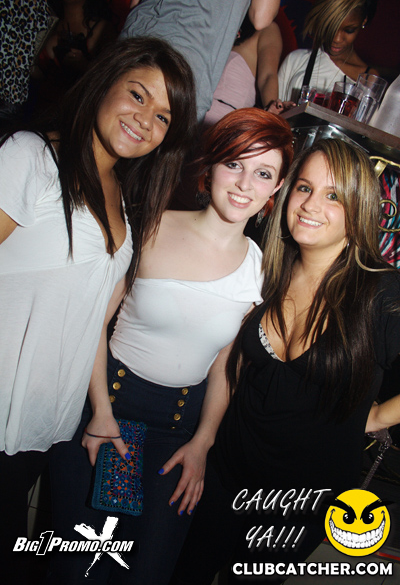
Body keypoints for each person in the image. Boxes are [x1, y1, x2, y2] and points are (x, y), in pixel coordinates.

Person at [45, 108, 294, 585]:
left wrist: (202, 443)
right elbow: (92, 323)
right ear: (211, 164)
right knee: (83, 570)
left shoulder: (260, 269)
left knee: (149, 573)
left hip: (179, 432)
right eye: (234, 164)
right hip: (109, 410)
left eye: (263, 173)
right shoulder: (151, 225)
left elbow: (225, 367)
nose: (245, 184)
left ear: (276, 187)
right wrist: (100, 412)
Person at [0, 36, 196, 583]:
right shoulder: (32, 156)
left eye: (163, 117)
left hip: (44, 422)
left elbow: (94, 325)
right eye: (137, 95)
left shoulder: (128, 212)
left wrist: (100, 412)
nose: (145, 120)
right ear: (104, 82)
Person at [171, 137, 400, 584]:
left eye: (333, 196)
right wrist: (202, 441)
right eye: (304, 188)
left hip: (300, 504)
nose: (311, 205)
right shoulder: (267, 269)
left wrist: (375, 417)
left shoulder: (380, 292)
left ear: (357, 210)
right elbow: (232, 368)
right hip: (224, 475)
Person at [120, 0, 284, 120]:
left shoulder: (262, 33)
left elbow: (137, 1)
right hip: (184, 60)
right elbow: (261, 15)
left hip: (136, 36)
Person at [278, 0, 379, 105]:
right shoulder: (296, 60)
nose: (336, 39)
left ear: (363, 21)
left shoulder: (368, 79)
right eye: (330, 27)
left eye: (349, 30)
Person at [203, 19, 295, 128]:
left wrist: (272, 115)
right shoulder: (225, 21)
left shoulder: (268, 29)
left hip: (225, 123)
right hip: (192, 109)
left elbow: (268, 77)